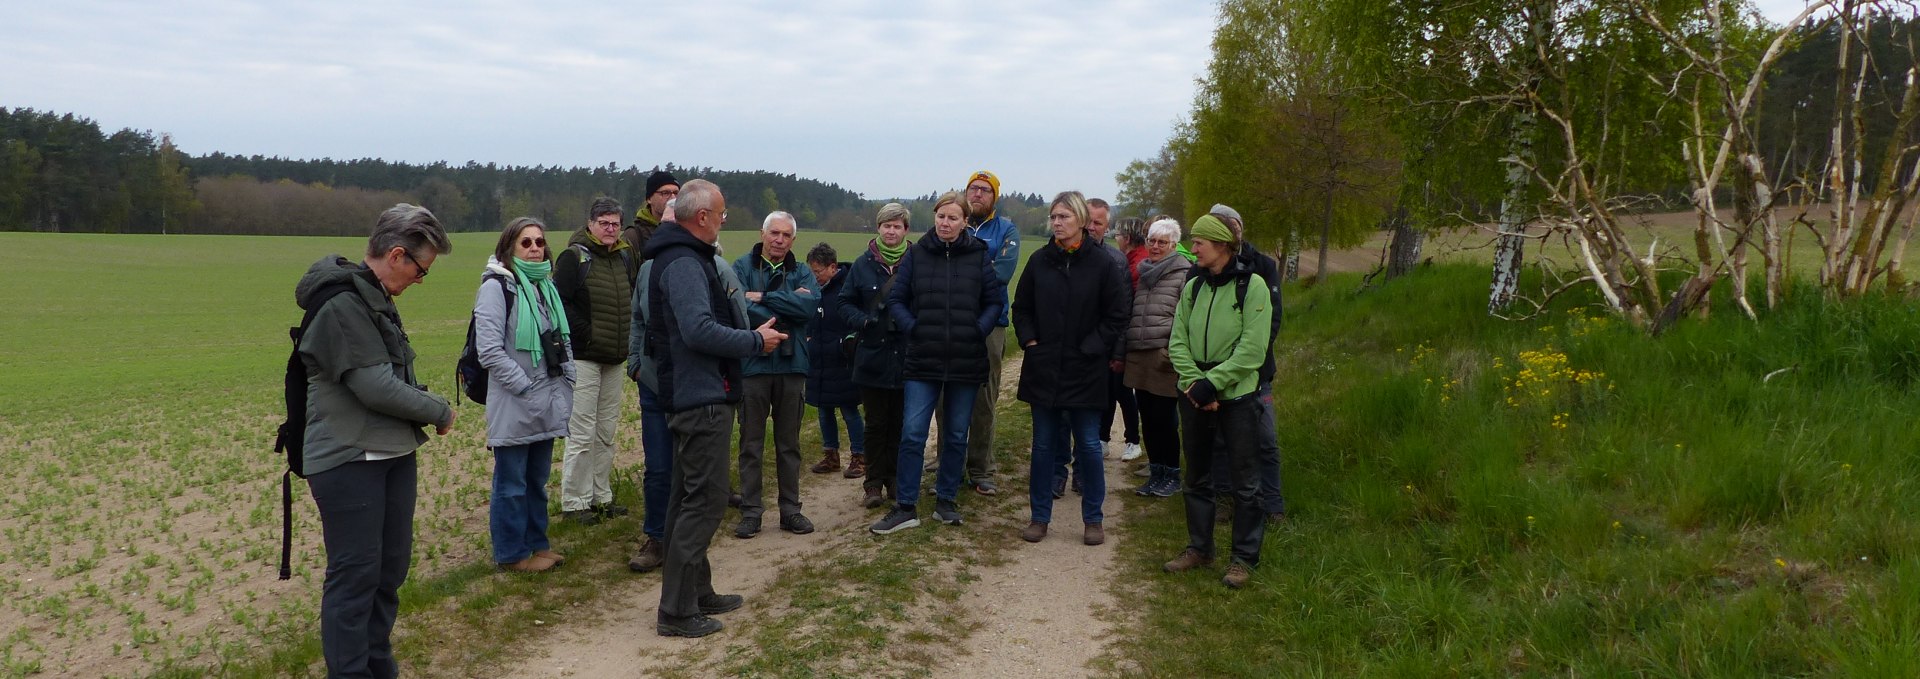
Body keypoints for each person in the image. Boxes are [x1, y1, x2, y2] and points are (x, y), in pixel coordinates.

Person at [294, 203, 455, 677]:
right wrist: (439, 410)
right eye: (421, 270)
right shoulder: (342, 303)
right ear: (398, 254)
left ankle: (379, 667)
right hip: (348, 459)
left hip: (391, 453)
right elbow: (374, 386)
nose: (421, 281)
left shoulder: (373, 297)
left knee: (388, 572)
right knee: (355, 576)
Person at [643, 179, 786, 637]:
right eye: (721, 214)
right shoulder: (684, 263)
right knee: (702, 504)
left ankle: (697, 592)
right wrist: (754, 341)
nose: (725, 220)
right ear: (701, 217)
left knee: (687, 499)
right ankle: (677, 612)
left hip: (699, 393)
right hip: (699, 396)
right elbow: (698, 331)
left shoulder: (686, 256)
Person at [870, 191, 1007, 534]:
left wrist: (978, 329)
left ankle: (946, 500)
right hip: (922, 358)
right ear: (935, 218)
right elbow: (897, 300)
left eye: (953, 218)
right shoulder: (917, 256)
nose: (946, 223)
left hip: (965, 357)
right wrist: (914, 328)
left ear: (964, 222)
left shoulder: (978, 256)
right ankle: (905, 506)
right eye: (941, 217)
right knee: (913, 434)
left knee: (957, 434)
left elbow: (994, 301)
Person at [626, 198, 749, 573]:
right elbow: (644, 322)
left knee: (692, 490)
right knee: (677, 481)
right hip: (675, 385)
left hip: (696, 385)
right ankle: (667, 566)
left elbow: (736, 315)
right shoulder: (673, 264)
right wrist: (635, 365)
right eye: (721, 216)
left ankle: (694, 587)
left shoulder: (713, 265)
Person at [1012, 191, 1130, 546]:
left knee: (1090, 447)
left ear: (1080, 220)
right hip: (1044, 368)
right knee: (1044, 446)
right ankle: (1039, 517)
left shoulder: (1103, 264)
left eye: (1064, 217)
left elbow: (1117, 316)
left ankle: (1093, 519)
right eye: (1054, 217)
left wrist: (1091, 347)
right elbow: (1021, 308)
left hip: (1085, 369)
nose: (1057, 223)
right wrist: (1030, 340)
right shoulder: (1039, 261)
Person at [1163, 215, 1274, 590]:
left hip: (1237, 396)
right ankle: (1200, 548)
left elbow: (1253, 349)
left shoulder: (1252, 286)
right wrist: (1196, 385)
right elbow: (1177, 339)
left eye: (1199, 242)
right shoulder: (1193, 285)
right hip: (1194, 393)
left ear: (1222, 245)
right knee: (1196, 475)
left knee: (1245, 481)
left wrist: (1213, 384)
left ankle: (1243, 558)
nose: (1192, 248)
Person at [475, 217, 576, 573]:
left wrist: (568, 378)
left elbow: (560, 340)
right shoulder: (496, 287)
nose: (535, 249)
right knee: (512, 483)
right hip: (515, 402)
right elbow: (488, 350)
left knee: (536, 480)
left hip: (546, 400)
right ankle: (512, 554)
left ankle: (538, 545)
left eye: (539, 242)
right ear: (508, 249)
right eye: (526, 243)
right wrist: (523, 385)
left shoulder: (544, 286)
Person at [732, 211, 820, 538]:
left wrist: (764, 298)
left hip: (792, 364)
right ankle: (751, 512)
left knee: (789, 444)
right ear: (762, 233)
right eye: (774, 233)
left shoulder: (801, 271)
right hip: (753, 364)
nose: (779, 240)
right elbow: (738, 305)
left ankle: (790, 510)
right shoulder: (741, 267)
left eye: (786, 235)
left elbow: (808, 308)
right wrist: (786, 305)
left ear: (793, 240)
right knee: (750, 443)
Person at [554, 197, 636, 524]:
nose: (610, 229)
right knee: (582, 432)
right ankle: (575, 502)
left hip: (615, 358)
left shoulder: (625, 256)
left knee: (606, 431)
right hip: (585, 357)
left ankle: (601, 497)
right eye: (604, 223)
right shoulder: (573, 258)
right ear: (590, 224)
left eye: (615, 223)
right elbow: (561, 303)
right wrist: (587, 333)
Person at [944, 170, 1021, 496]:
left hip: (990, 324)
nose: (977, 194)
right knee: (945, 395)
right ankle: (949, 462)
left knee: (983, 397)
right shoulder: (952, 222)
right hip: (948, 322)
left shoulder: (1006, 230)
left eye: (984, 190)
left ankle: (980, 468)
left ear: (994, 197)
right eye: (973, 189)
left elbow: (1000, 274)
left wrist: (958, 275)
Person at [1209, 204, 1287, 523]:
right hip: (1215, 369)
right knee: (1219, 439)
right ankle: (1225, 498)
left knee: (1265, 439)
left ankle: (1272, 504)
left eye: (1233, 225)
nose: (1231, 231)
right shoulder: (1205, 270)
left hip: (1257, 371)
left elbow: (1273, 317)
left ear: (1240, 228)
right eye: (1221, 226)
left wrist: (1250, 357)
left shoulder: (1263, 266)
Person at [840, 203, 913, 509]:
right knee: (875, 423)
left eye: (897, 226)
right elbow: (844, 303)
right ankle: (872, 484)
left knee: (899, 422)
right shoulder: (862, 264)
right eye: (886, 225)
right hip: (872, 354)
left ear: (906, 230)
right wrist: (864, 322)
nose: (891, 231)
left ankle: (894, 479)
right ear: (878, 228)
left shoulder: (917, 262)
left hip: (907, 355)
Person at [1123, 218, 1191, 498]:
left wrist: (1170, 352)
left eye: (1162, 242)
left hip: (1164, 357)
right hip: (1140, 355)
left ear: (1174, 245)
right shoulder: (1145, 272)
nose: (1155, 246)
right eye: (1151, 240)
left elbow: (1185, 319)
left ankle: (1172, 475)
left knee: (1165, 419)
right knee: (1147, 418)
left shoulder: (1183, 273)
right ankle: (1156, 471)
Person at [803, 243, 865, 478]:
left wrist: (844, 346)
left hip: (843, 362)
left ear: (832, 267)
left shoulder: (847, 290)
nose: (814, 276)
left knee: (849, 410)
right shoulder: (812, 290)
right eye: (812, 271)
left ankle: (860, 456)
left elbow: (854, 322)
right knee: (823, 410)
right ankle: (831, 455)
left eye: (818, 271)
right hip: (818, 361)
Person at [623, 169, 678, 255]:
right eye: (665, 193)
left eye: (676, 193)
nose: (673, 198)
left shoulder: (687, 230)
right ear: (649, 199)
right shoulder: (634, 235)